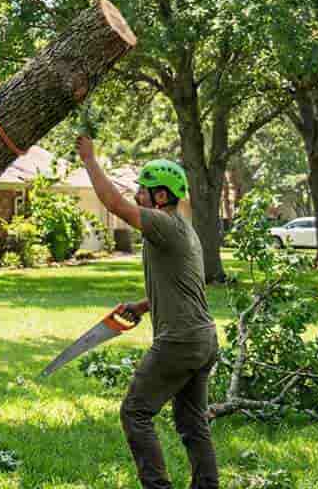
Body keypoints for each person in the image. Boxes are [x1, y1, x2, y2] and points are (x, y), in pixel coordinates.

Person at [76, 135, 219, 489]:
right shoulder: (184, 229)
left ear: (162, 196)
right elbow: (182, 285)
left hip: (180, 341)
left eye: (145, 189)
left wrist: (90, 160)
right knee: (192, 424)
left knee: (135, 413)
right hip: (203, 338)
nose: (139, 194)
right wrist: (142, 306)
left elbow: (113, 204)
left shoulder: (164, 223)